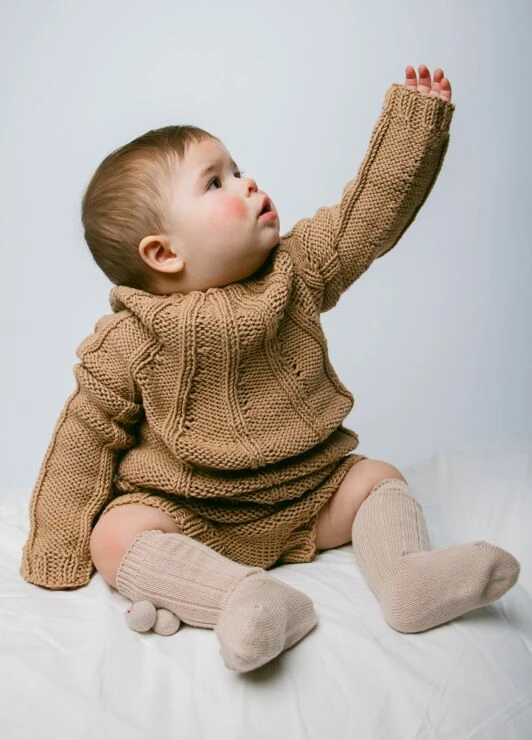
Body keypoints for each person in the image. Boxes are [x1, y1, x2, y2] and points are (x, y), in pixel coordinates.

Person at [20, 65, 520, 672]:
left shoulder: (296, 272)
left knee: (376, 478)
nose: (246, 181)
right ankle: (243, 598)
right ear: (164, 252)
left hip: (310, 494)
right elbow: (83, 440)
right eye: (215, 182)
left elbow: (366, 219)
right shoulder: (130, 340)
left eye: (237, 168)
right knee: (115, 535)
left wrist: (414, 126)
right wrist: (56, 546)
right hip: (191, 515)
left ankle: (407, 578)